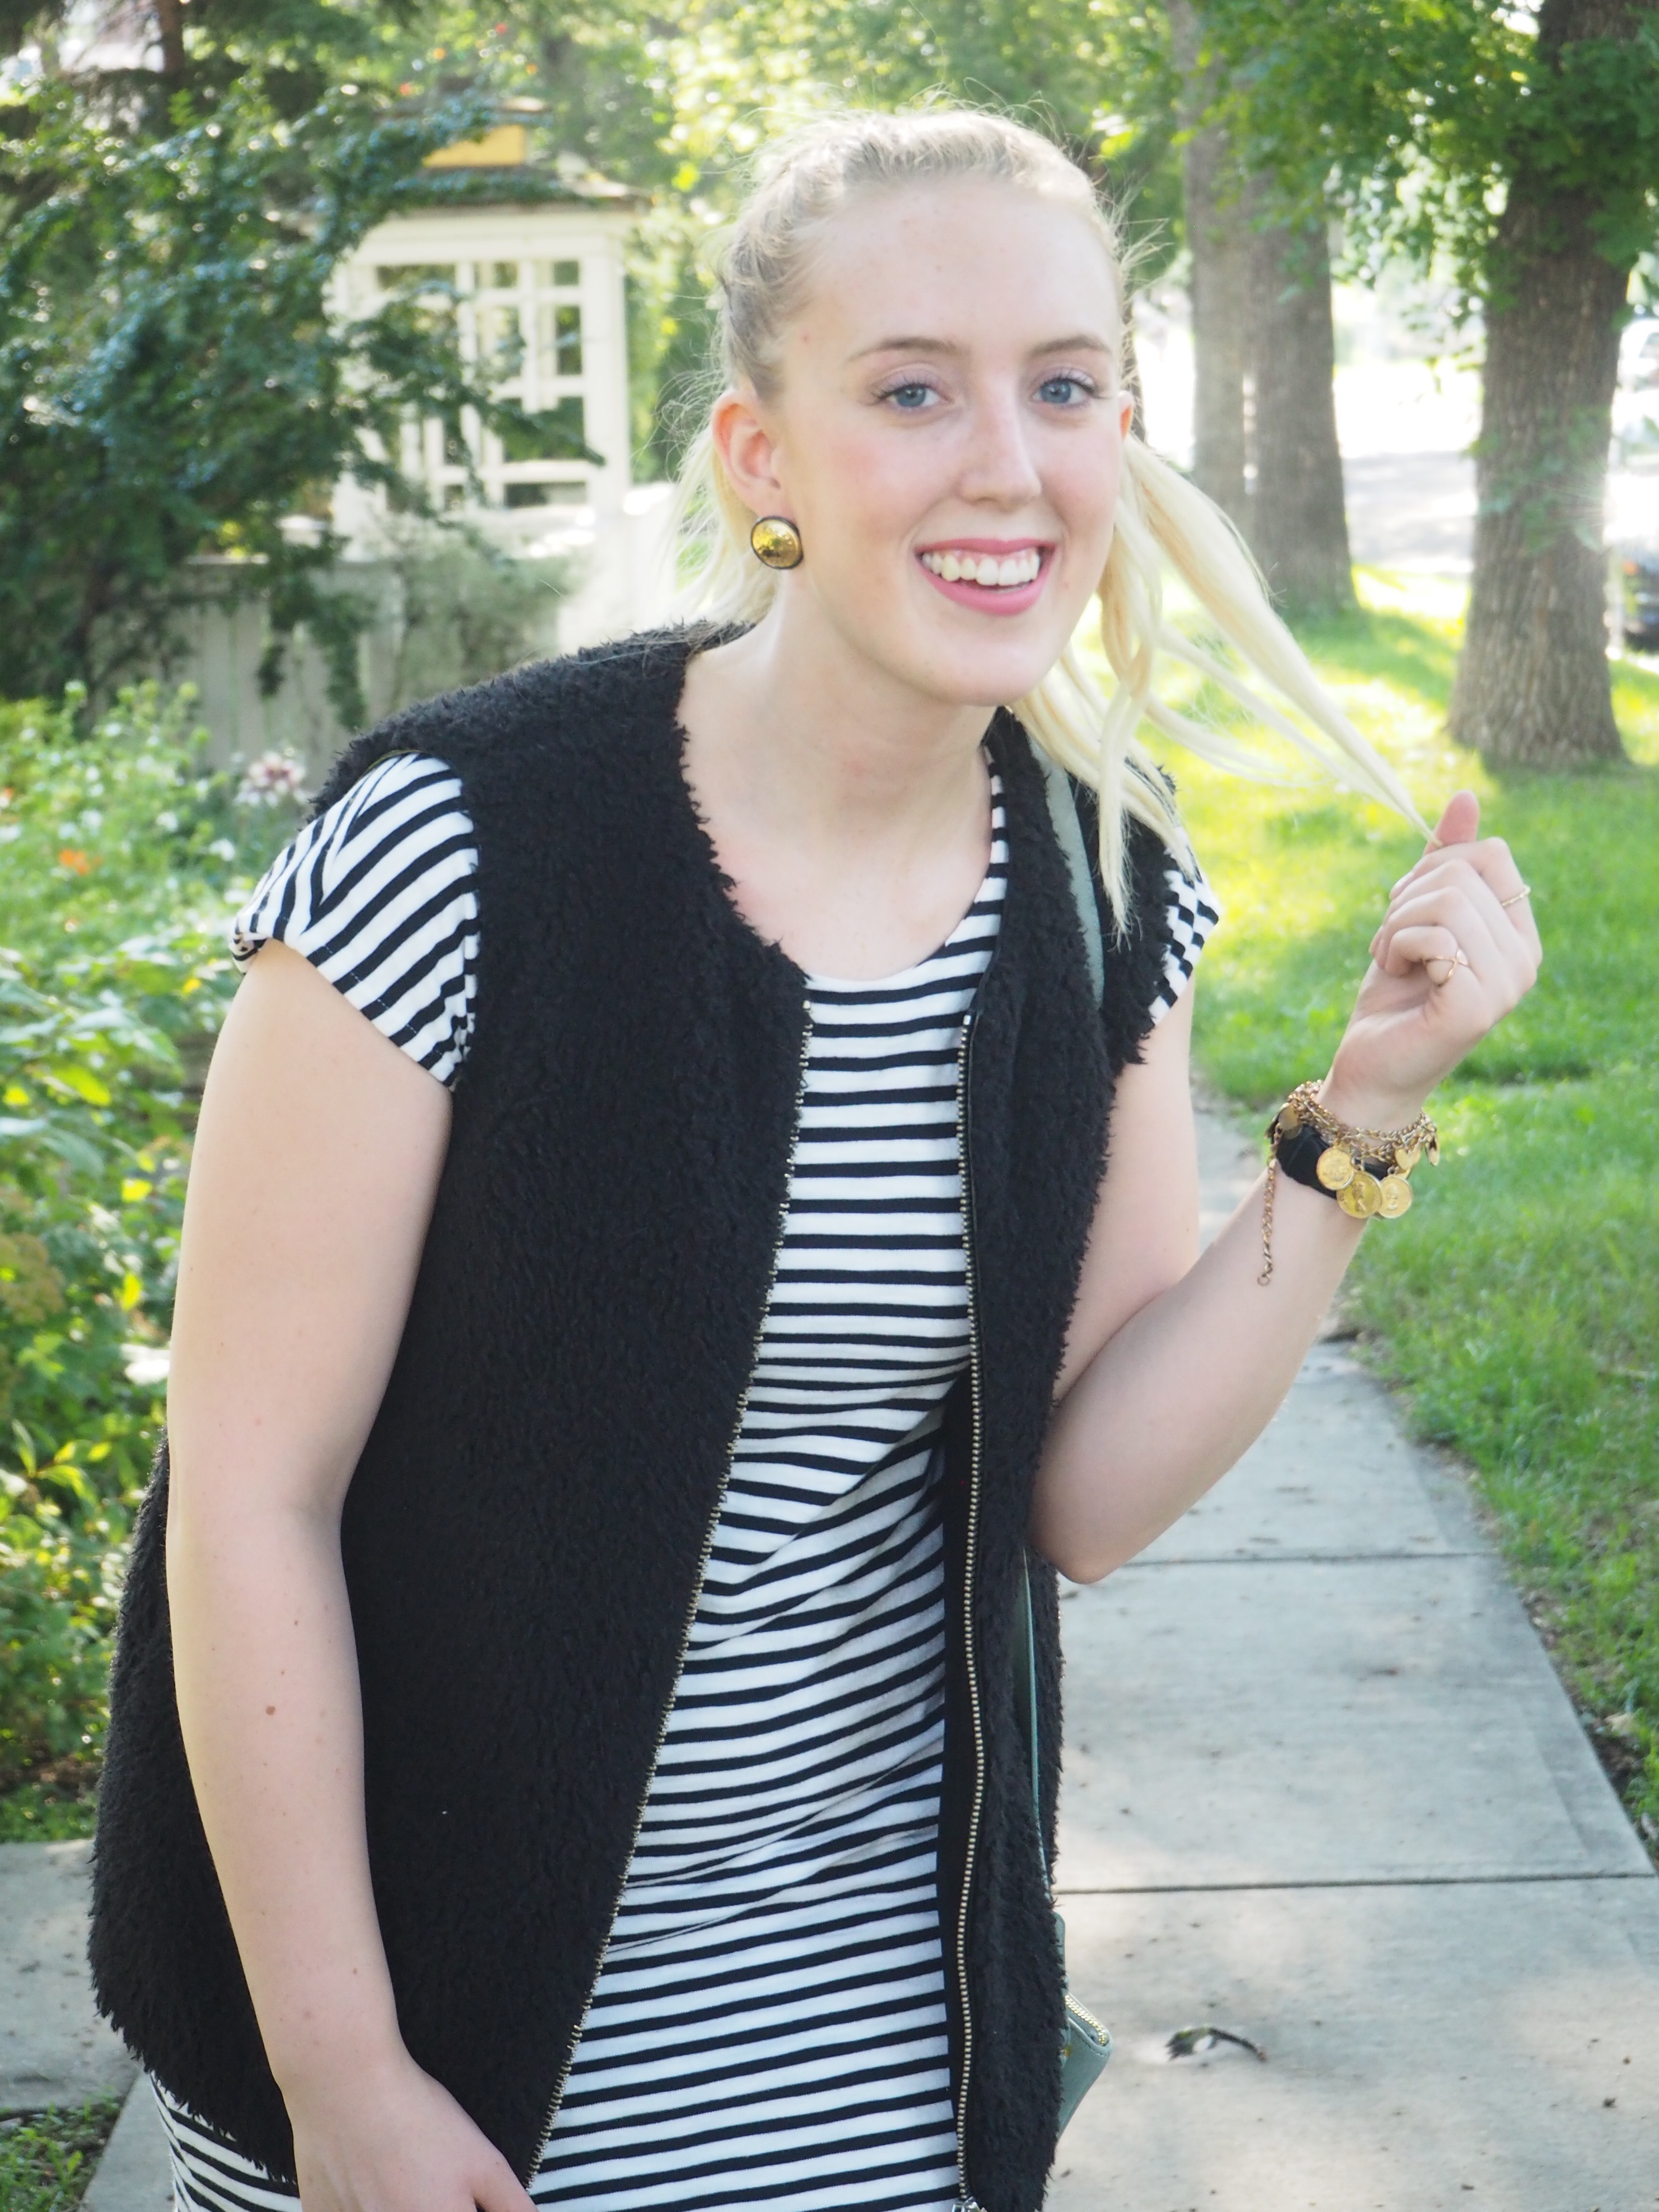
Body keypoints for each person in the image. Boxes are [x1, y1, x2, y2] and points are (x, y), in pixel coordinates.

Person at [87, 108, 1541, 2212]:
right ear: (759, 458)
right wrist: (345, 2079)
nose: (1008, 465)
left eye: (1065, 388)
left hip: (879, 2030)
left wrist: (1363, 1114)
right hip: (444, 2025)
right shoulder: (459, 846)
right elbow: (248, 1499)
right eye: (910, 390)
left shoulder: (1098, 889)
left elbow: (1082, 1493)